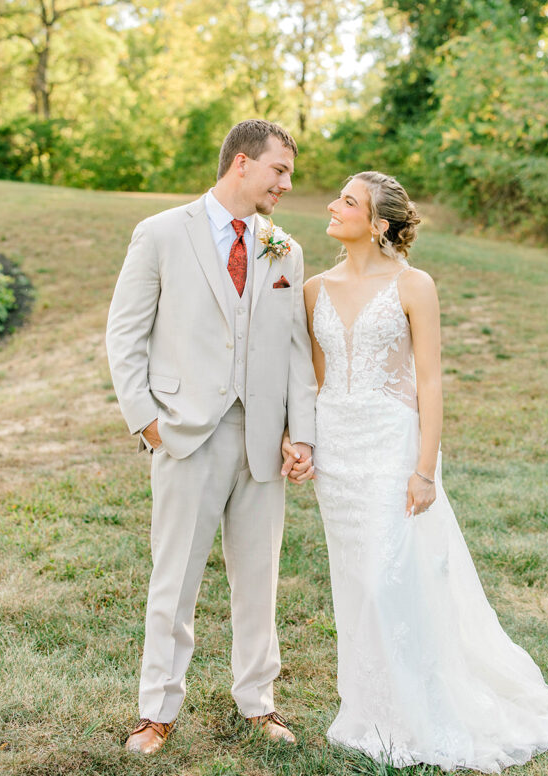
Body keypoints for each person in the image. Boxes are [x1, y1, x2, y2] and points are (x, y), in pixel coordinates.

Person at [300, 170, 548, 772]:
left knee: (389, 579)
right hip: (339, 451)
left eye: (347, 202)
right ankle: (372, 709)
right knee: (356, 582)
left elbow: (429, 380)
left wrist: (424, 468)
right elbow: (318, 380)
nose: (333, 205)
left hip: (392, 447)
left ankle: (424, 709)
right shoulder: (313, 289)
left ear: (378, 224)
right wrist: (302, 441)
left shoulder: (414, 285)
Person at [106, 119, 316, 756]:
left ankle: (258, 702)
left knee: (261, 578)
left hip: (261, 440)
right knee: (175, 580)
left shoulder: (285, 249)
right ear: (243, 163)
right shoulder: (163, 232)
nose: (285, 183)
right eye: (279, 170)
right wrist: (147, 421)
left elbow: (296, 350)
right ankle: (156, 709)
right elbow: (125, 334)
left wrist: (299, 433)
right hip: (184, 434)